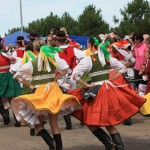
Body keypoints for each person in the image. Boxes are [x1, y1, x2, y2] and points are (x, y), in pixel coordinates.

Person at [70, 36, 146, 150]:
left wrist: (86, 85)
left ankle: (109, 144)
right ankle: (118, 146)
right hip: (108, 89)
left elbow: (75, 74)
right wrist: (112, 78)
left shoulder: (89, 59)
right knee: (109, 122)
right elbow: (122, 68)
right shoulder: (107, 57)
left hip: (97, 91)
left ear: (90, 45)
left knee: (89, 121)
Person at [11, 43, 80, 150]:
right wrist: (56, 78)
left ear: (34, 50)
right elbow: (66, 69)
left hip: (40, 94)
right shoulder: (53, 61)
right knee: (54, 123)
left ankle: (51, 143)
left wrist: (29, 85)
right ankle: (59, 148)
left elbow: (16, 75)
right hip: (53, 91)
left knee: (38, 124)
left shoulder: (31, 63)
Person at [54, 30, 86, 130]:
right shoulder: (74, 50)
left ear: (57, 40)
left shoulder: (54, 51)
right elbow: (85, 57)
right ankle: (82, 119)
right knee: (73, 98)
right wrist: (78, 70)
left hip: (59, 78)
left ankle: (69, 124)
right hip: (72, 77)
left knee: (63, 100)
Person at [0, 42, 22, 126]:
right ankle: (17, 120)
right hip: (8, 76)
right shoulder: (6, 55)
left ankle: (6, 117)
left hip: (2, 76)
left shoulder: (6, 55)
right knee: (11, 98)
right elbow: (18, 60)